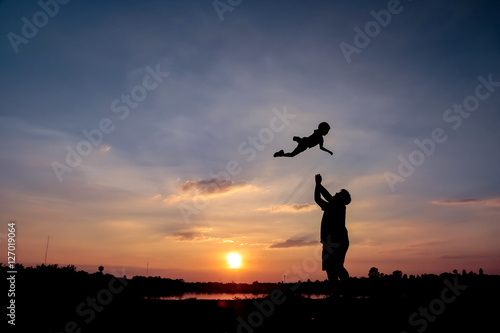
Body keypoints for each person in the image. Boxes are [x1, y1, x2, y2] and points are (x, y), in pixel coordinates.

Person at [314, 174, 351, 298]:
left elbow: (326, 196)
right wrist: (317, 185)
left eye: (338, 193)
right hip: (329, 242)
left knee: (337, 266)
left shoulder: (339, 206)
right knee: (330, 269)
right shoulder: (331, 206)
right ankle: (336, 294)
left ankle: (346, 293)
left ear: (341, 199)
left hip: (338, 241)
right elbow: (317, 199)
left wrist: (319, 184)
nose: (335, 193)